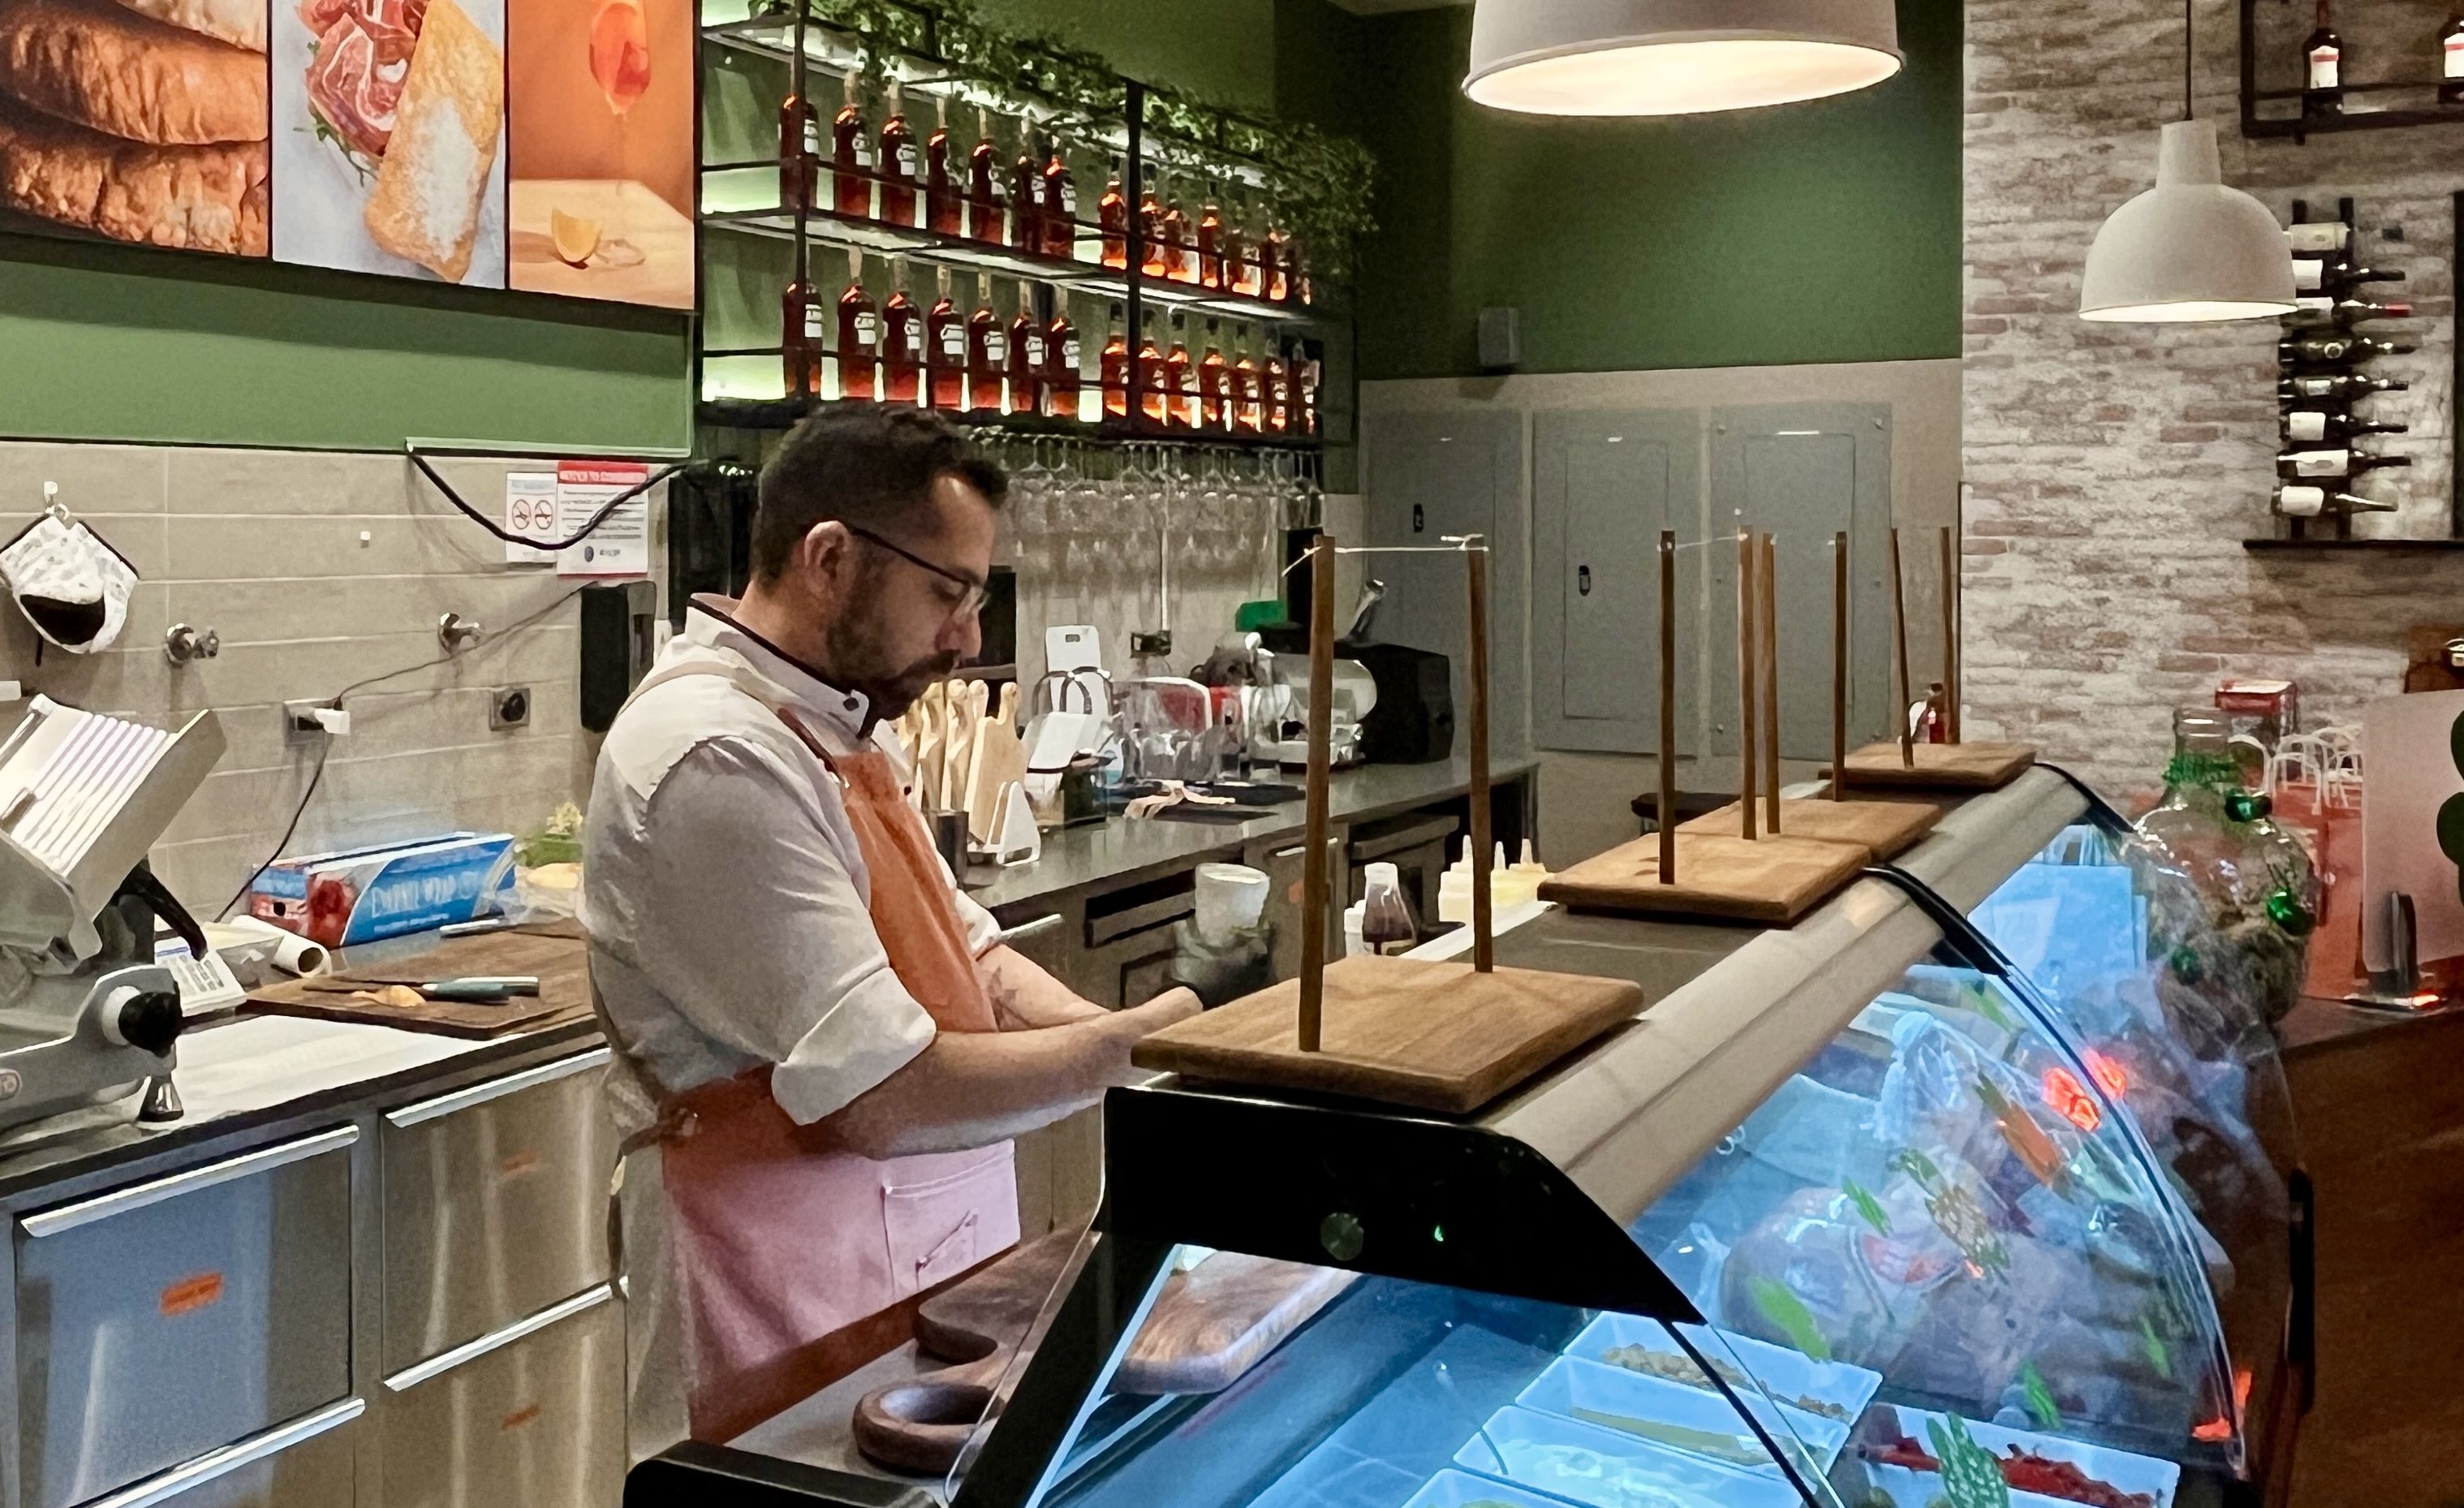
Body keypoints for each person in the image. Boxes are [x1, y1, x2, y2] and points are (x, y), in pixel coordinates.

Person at [583, 403, 1198, 1453]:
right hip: (781, 1302)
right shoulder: (711, 756)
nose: (968, 638)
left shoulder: (833, 720)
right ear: (829, 558)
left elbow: (969, 951)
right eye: (947, 594)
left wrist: (1146, 1040)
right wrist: (1131, 1050)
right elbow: (882, 1092)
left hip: (926, 1272)